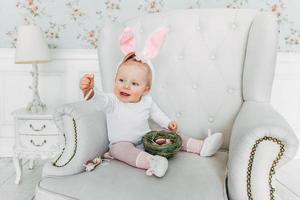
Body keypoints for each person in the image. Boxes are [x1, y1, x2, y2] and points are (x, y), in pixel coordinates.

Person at [79, 27, 223, 178]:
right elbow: (100, 100)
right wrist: (90, 90)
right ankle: (152, 163)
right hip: (121, 142)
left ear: (145, 89)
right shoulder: (112, 101)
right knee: (119, 151)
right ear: (115, 80)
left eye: (134, 84)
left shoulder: (147, 101)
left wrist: (168, 124)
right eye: (121, 80)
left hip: (146, 138)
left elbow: (157, 114)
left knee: (168, 135)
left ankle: (201, 146)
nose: (126, 86)